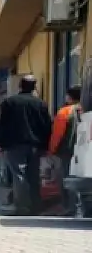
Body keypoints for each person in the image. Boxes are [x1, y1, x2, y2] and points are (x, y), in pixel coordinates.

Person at [0, 75, 53, 215]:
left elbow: (3, 125)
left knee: (19, 175)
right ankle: (36, 206)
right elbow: (47, 126)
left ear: (20, 86)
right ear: (34, 87)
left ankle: (22, 207)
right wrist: (46, 146)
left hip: (14, 145)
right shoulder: (41, 104)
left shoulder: (10, 102)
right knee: (34, 176)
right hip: (36, 146)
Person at [48, 85, 82, 213]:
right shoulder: (86, 110)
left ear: (70, 96)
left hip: (67, 152)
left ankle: (70, 207)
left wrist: (51, 150)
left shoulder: (64, 112)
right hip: (85, 151)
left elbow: (57, 134)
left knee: (66, 179)